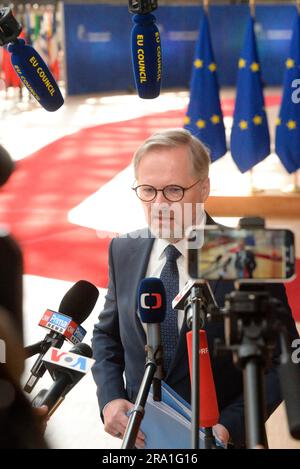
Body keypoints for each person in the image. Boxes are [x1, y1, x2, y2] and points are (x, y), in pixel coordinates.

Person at [91, 128, 299, 448]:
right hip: (144, 440)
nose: (159, 204)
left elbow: (282, 361)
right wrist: (110, 398)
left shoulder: (247, 254)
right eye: (147, 190)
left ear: (204, 189)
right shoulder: (123, 250)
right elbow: (108, 335)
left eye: (174, 190)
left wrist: (229, 427)